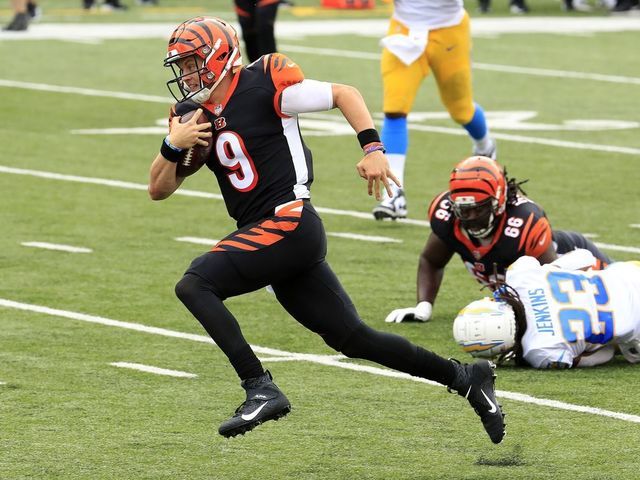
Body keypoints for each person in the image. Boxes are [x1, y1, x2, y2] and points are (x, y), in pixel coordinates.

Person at [149, 16, 506, 443]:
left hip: (288, 221)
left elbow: (344, 94)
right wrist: (174, 144)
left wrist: (373, 148)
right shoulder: (194, 117)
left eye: (191, 63)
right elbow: (158, 189)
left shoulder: (264, 83)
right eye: (182, 66)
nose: (186, 75)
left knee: (195, 284)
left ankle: (259, 387)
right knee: (353, 338)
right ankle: (467, 377)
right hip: (271, 234)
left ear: (220, 57)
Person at [385, 156, 612, 324]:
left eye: (479, 209)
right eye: (464, 210)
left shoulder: (524, 223)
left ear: (499, 202)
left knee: (617, 310)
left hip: (576, 266)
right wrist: (423, 306)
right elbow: (431, 260)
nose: (471, 217)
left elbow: (553, 284)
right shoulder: (448, 221)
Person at [373, 0, 496, 221]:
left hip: (449, 32)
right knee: (394, 108)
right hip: (404, 31)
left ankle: (485, 146)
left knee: (460, 109)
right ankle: (393, 194)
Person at [452, 251, 640, 369]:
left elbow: (601, 357)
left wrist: (614, 344)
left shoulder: (539, 350)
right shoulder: (520, 277)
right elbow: (584, 257)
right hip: (629, 273)